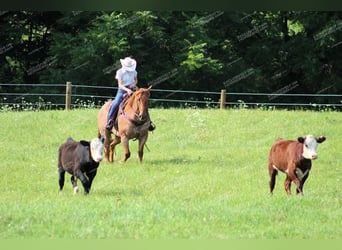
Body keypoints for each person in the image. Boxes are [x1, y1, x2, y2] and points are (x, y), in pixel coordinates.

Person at [106, 57, 155, 131]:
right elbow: (120, 85)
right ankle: (110, 121)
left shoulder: (134, 72)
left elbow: (135, 80)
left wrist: (134, 84)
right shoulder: (120, 72)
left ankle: (148, 122)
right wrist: (127, 90)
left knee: (142, 102)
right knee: (115, 103)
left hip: (132, 89)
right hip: (122, 90)